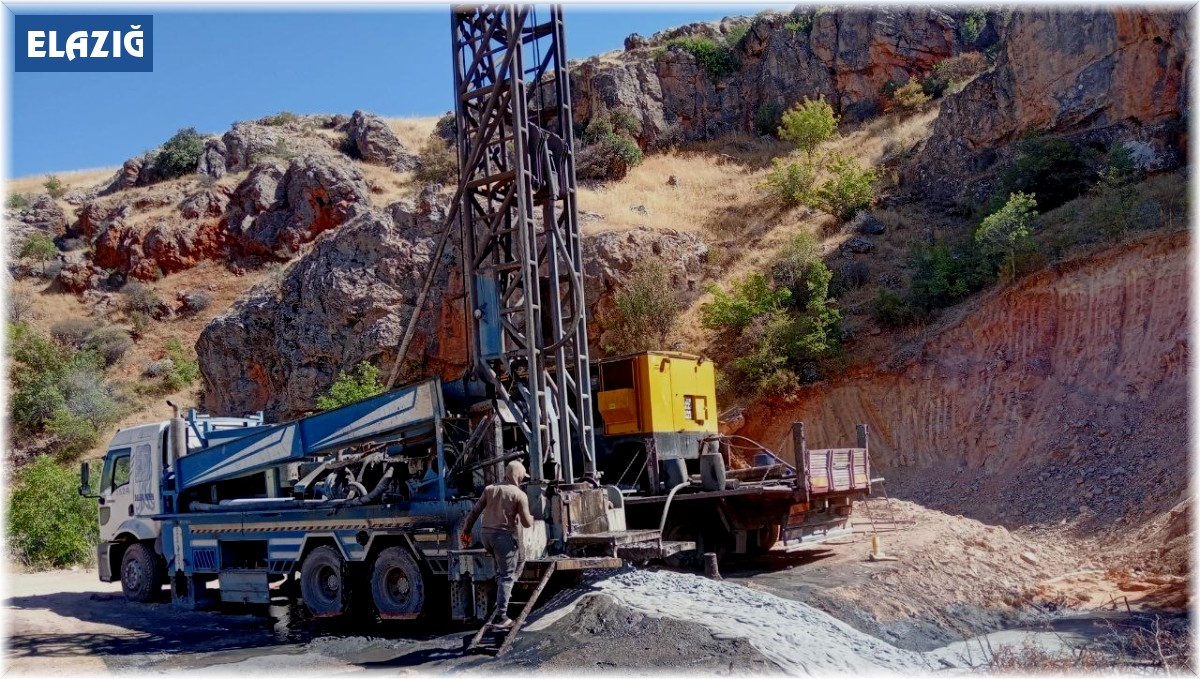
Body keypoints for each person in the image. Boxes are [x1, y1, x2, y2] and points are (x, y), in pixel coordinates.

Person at [461, 460, 535, 629]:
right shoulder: (519, 494)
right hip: (503, 538)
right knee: (508, 575)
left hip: (486, 536)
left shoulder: (490, 489)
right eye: (523, 476)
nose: (523, 479)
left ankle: (501, 593)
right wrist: (530, 516)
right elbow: (527, 523)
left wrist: (466, 531)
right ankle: (502, 616)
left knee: (508, 567)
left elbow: (474, 512)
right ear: (518, 476)